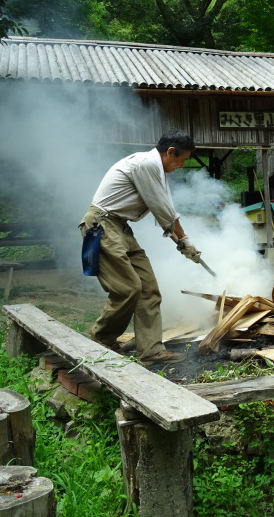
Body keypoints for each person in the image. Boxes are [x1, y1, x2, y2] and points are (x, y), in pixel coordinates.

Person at [79, 130, 204, 365]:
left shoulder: (156, 170)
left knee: (149, 289)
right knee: (128, 289)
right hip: (103, 225)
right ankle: (101, 337)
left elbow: (166, 208)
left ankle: (150, 351)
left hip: (121, 228)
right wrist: (184, 240)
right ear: (170, 152)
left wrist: (182, 242)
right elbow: (162, 209)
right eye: (182, 159)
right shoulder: (146, 164)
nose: (181, 165)